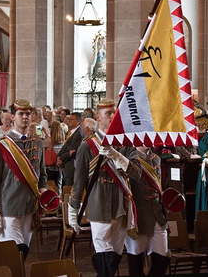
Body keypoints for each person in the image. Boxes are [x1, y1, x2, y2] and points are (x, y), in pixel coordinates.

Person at [68, 98, 137, 277]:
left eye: (114, 112)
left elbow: (135, 172)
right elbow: (79, 181)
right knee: (103, 251)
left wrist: (117, 156)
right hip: (99, 203)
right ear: (98, 117)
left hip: (121, 204)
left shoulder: (125, 143)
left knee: (116, 252)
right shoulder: (87, 145)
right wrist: (73, 210)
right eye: (108, 113)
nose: (113, 116)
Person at [0, 99, 47, 260]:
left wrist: (44, 192)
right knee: (14, 252)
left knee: (24, 249)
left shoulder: (37, 143)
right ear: (13, 117)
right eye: (21, 114)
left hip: (30, 206)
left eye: (28, 114)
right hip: (9, 205)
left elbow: (42, 175)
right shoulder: (1, 146)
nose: (25, 117)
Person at [125, 146, 170, 277]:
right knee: (136, 261)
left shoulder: (156, 159)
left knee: (162, 257)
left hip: (157, 214)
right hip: (139, 215)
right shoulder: (130, 159)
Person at [57, 112, 83, 186]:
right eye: (69, 119)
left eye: (72, 119)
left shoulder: (79, 133)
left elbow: (72, 150)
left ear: (78, 121)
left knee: (68, 188)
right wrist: (59, 156)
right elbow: (66, 146)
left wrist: (61, 158)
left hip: (71, 165)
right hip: (66, 164)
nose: (69, 121)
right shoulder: (71, 131)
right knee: (65, 189)